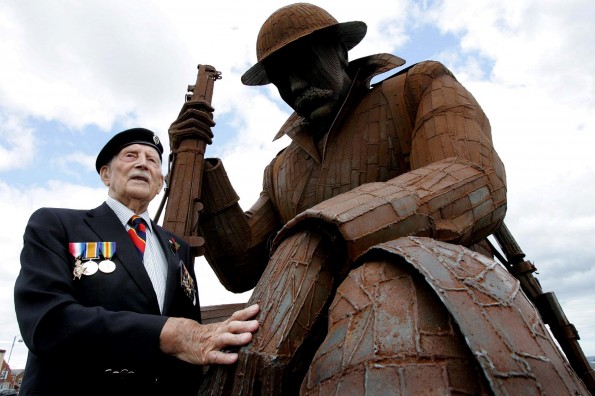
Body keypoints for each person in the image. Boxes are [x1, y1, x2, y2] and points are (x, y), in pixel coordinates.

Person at [171, 3, 589, 395]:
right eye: (281, 78)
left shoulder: (416, 87)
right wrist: (199, 170)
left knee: (382, 295)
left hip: (439, 293)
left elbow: (474, 178)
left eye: (303, 64)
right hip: (310, 331)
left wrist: (321, 235)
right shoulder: (282, 167)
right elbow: (243, 268)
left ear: (339, 49)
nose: (296, 85)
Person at [14, 128, 260, 396]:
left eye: (152, 160)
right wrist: (169, 334)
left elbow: (190, 350)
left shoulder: (179, 249)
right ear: (106, 174)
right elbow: (46, 322)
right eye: (131, 155)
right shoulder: (57, 225)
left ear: (160, 183)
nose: (143, 163)